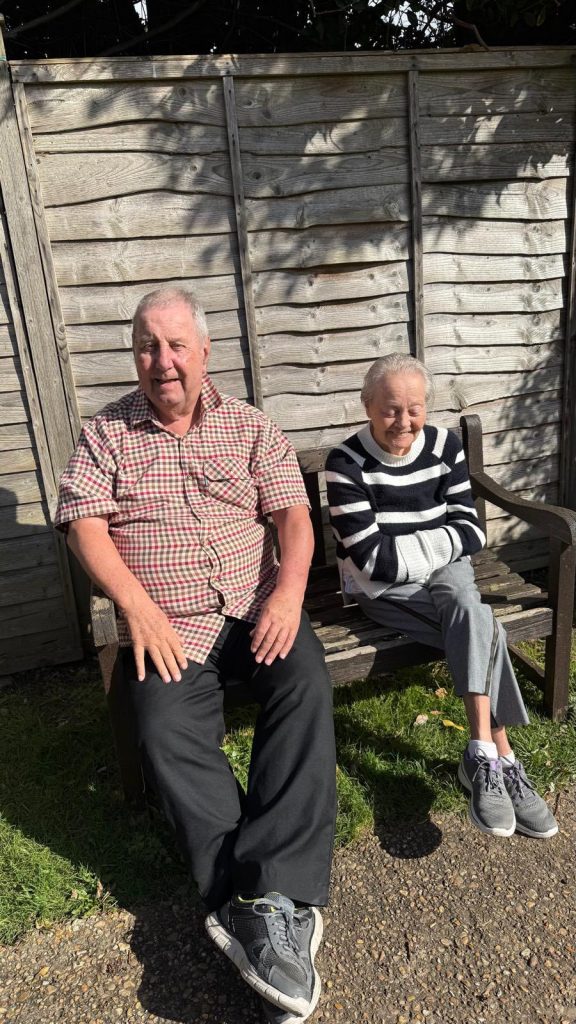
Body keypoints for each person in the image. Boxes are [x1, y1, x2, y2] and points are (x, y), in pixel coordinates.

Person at [55, 287, 337, 1024]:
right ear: (136, 356)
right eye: (148, 346)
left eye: (176, 345)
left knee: (304, 684)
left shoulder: (249, 426)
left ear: (204, 352)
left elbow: (293, 516)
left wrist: (287, 595)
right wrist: (137, 607)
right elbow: (84, 523)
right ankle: (256, 908)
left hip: (255, 610)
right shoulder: (107, 434)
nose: (163, 361)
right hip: (169, 625)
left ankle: (264, 892)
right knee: (162, 730)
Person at [325, 352, 557, 841]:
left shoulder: (446, 446)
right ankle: (504, 757)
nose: (403, 421)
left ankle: (479, 753)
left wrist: (409, 548)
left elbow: (471, 532)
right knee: (480, 622)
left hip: (447, 578)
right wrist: (436, 545)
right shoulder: (344, 463)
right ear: (367, 405)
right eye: (390, 409)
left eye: (414, 408)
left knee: (461, 599)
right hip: (386, 592)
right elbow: (373, 564)